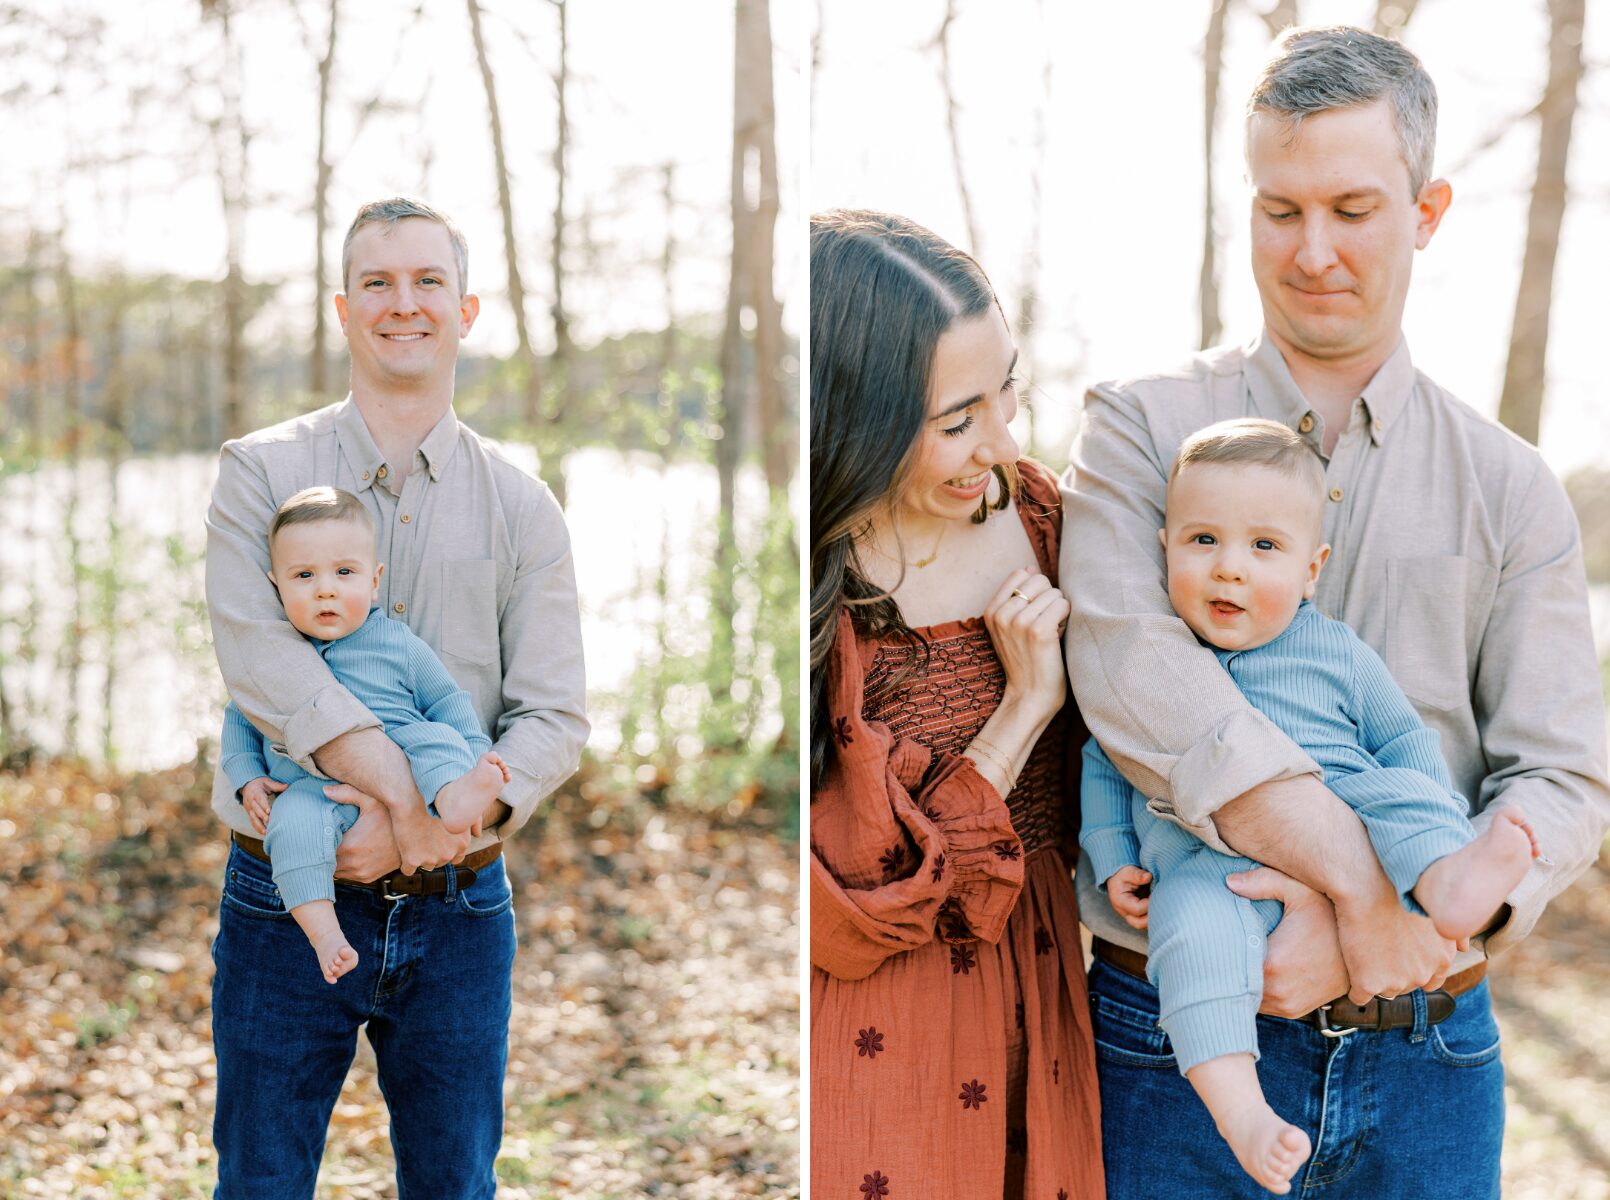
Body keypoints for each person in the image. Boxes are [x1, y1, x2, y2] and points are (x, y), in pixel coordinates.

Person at [1061, 25, 1610, 1199]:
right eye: (1277, 209)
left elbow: (1561, 772)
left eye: (1351, 209)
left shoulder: (1509, 484)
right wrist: (1357, 899)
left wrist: (1429, 926)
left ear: (1424, 210)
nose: (1310, 251)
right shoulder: (1136, 430)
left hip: (1427, 1041)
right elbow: (1129, 681)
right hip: (1169, 1041)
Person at [205, 196, 588, 1198]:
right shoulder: (259, 472)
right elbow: (259, 662)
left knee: (456, 1186)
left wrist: (449, 828)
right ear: (343, 308)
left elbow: (552, 713)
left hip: (458, 907)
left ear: (464, 311)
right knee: (259, 1183)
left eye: (426, 282)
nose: (401, 303)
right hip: (283, 902)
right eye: (377, 282)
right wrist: (401, 808)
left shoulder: (522, 506)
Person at [1080, 418, 1538, 1193]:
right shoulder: (1159, 657)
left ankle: (1450, 886)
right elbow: (1102, 764)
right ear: (1163, 547)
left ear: (1311, 568)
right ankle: (1240, 1109)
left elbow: (1403, 740)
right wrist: (1115, 857)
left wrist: (1433, 824)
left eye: (1263, 548)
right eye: (1202, 542)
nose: (1229, 570)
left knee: (1399, 793)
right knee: (1191, 935)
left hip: (1349, 805)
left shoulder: (1336, 651)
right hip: (1210, 869)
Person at [809, 209, 1103, 1200]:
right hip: (880, 1022)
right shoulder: (812, 589)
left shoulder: (1045, 517)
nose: (1002, 439)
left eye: (1005, 389)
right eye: (956, 420)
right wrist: (1021, 713)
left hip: (1048, 982)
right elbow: (851, 884)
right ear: (859, 418)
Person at [220, 485, 511, 985]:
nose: (325, 589)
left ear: (375, 582)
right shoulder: (273, 658)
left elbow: (446, 701)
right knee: (292, 828)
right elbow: (240, 721)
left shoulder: (397, 642)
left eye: (344, 573)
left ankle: (460, 797)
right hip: (312, 789)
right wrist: (247, 779)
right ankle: (325, 933)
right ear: (277, 586)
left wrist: (476, 753)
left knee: (436, 740)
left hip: (408, 758)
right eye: (304, 576)